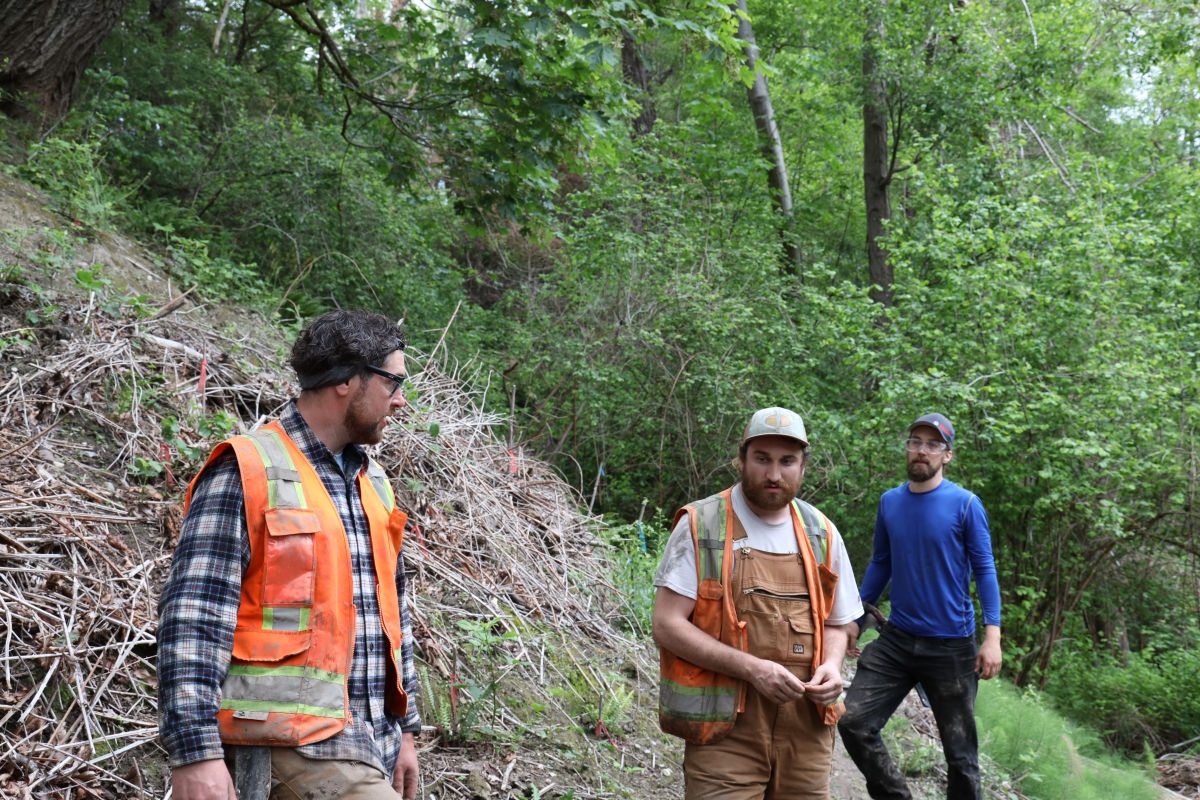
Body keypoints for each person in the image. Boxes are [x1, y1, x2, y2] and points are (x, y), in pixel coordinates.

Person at [158, 310, 422, 800]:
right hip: (280, 742)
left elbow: (393, 616)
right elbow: (193, 619)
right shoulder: (248, 469)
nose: (401, 400)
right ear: (348, 381)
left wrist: (405, 728)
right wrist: (194, 754)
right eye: (393, 383)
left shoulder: (373, 483)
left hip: (369, 746)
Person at [652, 407, 863, 800]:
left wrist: (833, 666)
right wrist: (751, 668)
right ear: (741, 458)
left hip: (807, 733)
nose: (773, 474)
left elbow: (839, 622)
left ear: (803, 466)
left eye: (787, 462)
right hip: (724, 730)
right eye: (762, 459)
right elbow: (666, 624)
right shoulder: (702, 524)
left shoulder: (823, 533)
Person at [838, 413, 1001, 800]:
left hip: (951, 646)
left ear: (947, 455)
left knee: (960, 756)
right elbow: (881, 562)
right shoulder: (890, 502)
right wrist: (858, 619)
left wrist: (992, 636)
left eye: (932, 444)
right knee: (853, 721)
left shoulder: (965, 505)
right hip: (898, 640)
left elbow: (985, 569)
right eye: (916, 442)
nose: (922, 450)